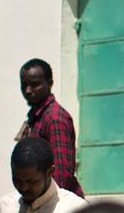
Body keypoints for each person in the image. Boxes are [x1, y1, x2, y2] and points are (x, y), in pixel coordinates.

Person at [16, 58, 83, 196]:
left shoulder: (54, 118)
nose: (28, 90)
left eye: (35, 85)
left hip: (58, 206)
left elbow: (61, 175)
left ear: (50, 83)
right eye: (24, 85)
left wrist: (50, 210)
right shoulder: (36, 116)